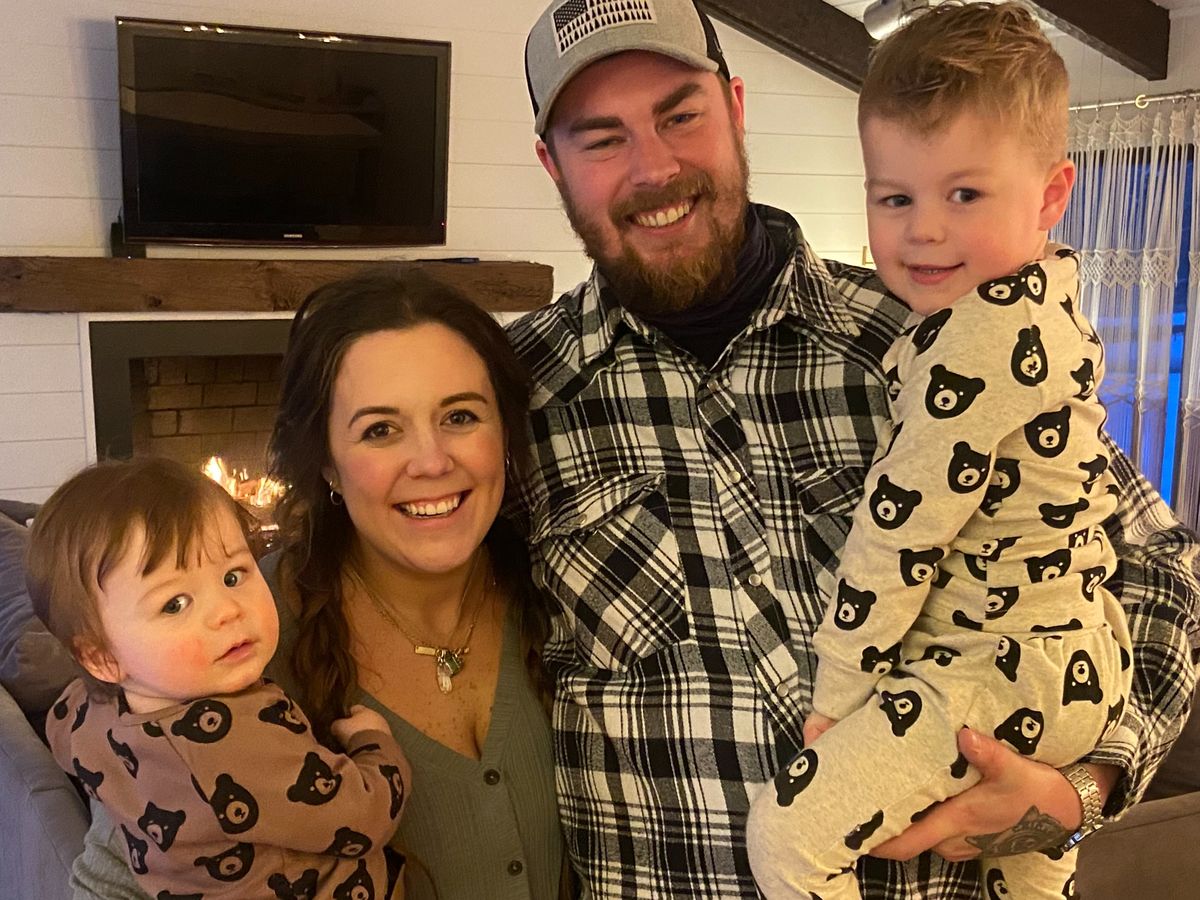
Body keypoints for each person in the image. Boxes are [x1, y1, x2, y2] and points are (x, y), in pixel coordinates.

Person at [510, 1, 1199, 897]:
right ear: (551, 165)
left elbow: (1159, 563)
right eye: (602, 139)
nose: (655, 167)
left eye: (680, 115)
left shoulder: (933, 337)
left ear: (735, 109)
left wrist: (1080, 792)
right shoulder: (509, 399)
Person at [744, 5, 1130, 898]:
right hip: (1074, 665)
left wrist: (837, 698)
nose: (923, 230)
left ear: (1050, 196)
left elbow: (898, 534)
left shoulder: (975, 342)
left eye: (964, 195)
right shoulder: (1049, 305)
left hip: (995, 672)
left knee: (788, 840)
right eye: (895, 198)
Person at [66, 271, 566, 900]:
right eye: (380, 429)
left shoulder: (564, 589)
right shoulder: (234, 635)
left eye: (460, 416)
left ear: (505, 433)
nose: (432, 461)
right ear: (326, 461)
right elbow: (109, 882)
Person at [31, 457, 409, 899]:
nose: (228, 610)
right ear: (101, 657)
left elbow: (63, 742)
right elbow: (364, 817)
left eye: (233, 576)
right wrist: (372, 743)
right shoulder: (234, 743)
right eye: (175, 604)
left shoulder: (81, 713)